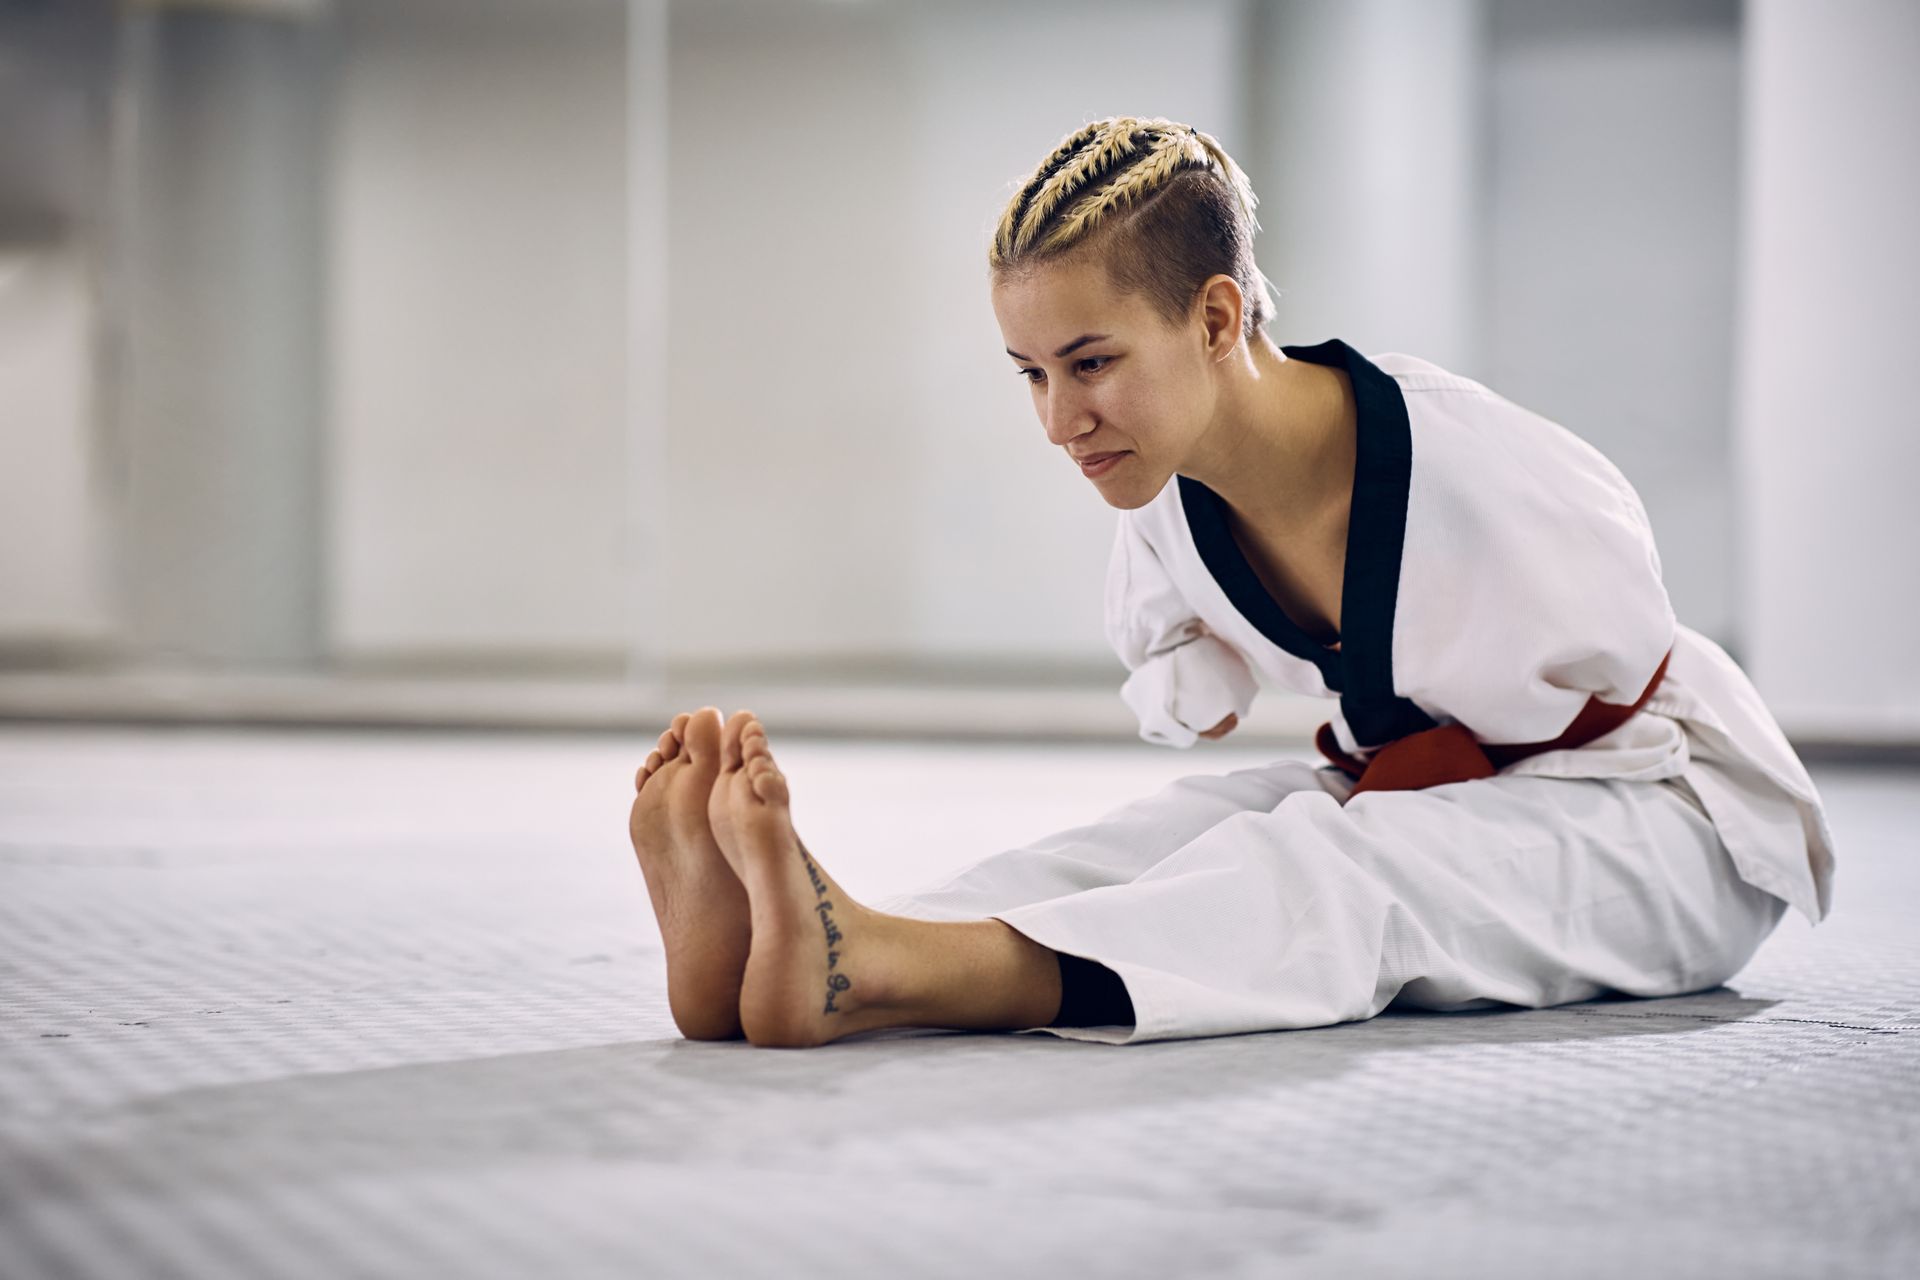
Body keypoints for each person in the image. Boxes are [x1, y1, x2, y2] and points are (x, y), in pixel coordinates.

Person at [626, 116, 1835, 1048]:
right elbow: (1175, 665)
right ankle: (828, 939)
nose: (1061, 420)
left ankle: (878, 969)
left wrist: (1386, 752)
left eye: (1090, 363)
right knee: (1164, 834)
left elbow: (1609, 668)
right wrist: (1203, 682)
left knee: (1335, 868)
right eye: (1031, 374)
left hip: (1671, 820)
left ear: (1215, 317)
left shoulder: (1475, 465)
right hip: (1441, 789)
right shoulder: (1165, 491)